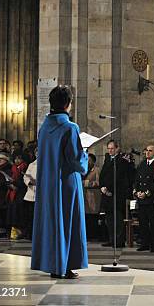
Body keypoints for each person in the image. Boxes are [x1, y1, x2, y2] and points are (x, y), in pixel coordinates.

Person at [31, 85, 88, 279]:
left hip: (47, 183)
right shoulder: (70, 127)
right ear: (68, 104)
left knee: (52, 222)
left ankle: (53, 264)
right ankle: (66, 266)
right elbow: (75, 159)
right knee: (69, 221)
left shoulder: (44, 127)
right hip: (66, 183)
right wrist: (85, 155)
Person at [99, 140, 132, 248]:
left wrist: (109, 189)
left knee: (117, 219)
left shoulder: (121, 161)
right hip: (106, 194)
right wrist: (102, 187)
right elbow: (103, 175)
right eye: (108, 149)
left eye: (112, 148)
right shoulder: (107, 159)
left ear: (117, 148)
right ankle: (111, 239)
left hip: (116, 195)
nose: (110, 151)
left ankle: (119, 241)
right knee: (109, 220)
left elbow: (118, 178)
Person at [133, 145, 154, 252]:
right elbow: (136, 179)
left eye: (150, 151)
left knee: (153, 223)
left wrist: (146, 192)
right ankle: (144, 243)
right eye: (146, 151)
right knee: (143, 223)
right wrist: (136, 192)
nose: (148, 153)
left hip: (151, 198)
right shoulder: (142, 164)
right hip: (141, 199)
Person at [82, 153, 101, 240]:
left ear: (93, 161)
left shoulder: (96, 170)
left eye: (89, 160)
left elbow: (98, 182)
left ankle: (94, 235)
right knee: (86, 216)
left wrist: (86, 183)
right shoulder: (84, 170)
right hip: (84, 196)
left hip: (93, 197)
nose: (88, 162)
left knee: (93, 217)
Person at [23, 148, 38, 240]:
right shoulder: (32, 164)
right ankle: (30, 234)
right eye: (37, 153)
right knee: (30, 215)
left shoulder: (48, 164)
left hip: (41, 194)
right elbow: (26, 176)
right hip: (31, 192)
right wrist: (29, 182)